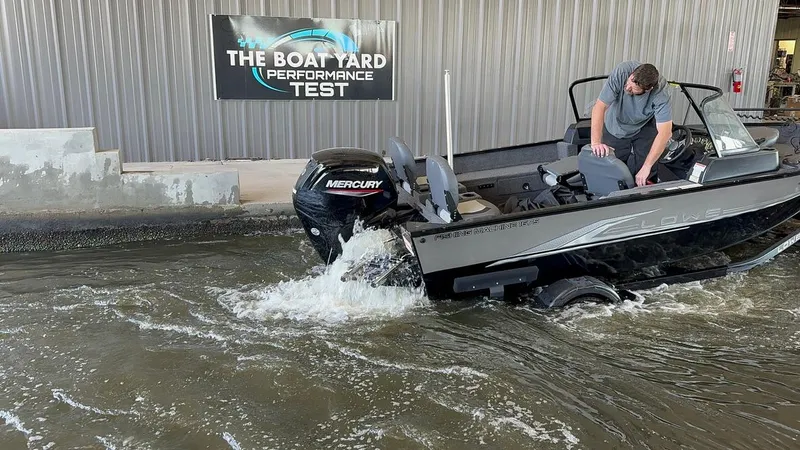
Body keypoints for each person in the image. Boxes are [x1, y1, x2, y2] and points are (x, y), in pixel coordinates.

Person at [590, 61, 673, 187]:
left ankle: (643, 196)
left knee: (647, 170)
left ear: (648, 90)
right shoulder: (622, 71)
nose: (628, 88)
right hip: (616, 125)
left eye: (633, 90)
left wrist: (647, 167)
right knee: (611, 168)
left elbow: (665, 132)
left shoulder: (661, 93)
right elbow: (599, 107)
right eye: (629, 82)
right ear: (632, 74)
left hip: (644, 126)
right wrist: (596, 143)